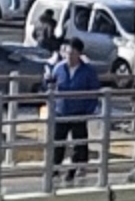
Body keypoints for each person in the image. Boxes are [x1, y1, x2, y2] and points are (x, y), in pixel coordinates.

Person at [44, 37, 103, 179]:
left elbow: (94, 91)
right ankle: (54, 169)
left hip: (79, 111)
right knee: (58, 142)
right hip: (61, 111)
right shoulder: (59, 68)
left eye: (72, 53)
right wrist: (47, 81)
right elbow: (50, 86)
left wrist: (89, 109)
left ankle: (75, 169)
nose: (69, 56)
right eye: (67, 53)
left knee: (79, 142)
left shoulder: (88, 71)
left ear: (79, 54)